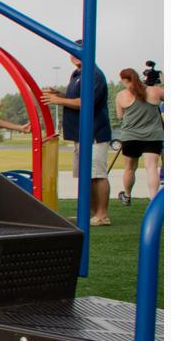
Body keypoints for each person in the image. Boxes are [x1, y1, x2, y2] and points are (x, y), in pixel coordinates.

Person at [40, 45, 114, 225]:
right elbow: (75, 98)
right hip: (79, 134)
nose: (75, 56)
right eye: (72, 52)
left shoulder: (94, 74)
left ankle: (102, 215)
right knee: (85, 175)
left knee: (97, 174)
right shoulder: (77, 74)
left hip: (94, 132)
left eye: (79, 51)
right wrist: (60, 94)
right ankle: (90, 213)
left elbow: (85, 102)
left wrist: (59, 100)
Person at [114, 66, 163, 205]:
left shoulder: (122, 95)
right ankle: (153, 200)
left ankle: (127, 195)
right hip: (153, 136)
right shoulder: (155, 91)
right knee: (151, 167)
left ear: (125, 80)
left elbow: (119, 116)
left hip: (131, 136)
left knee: (130, 168)